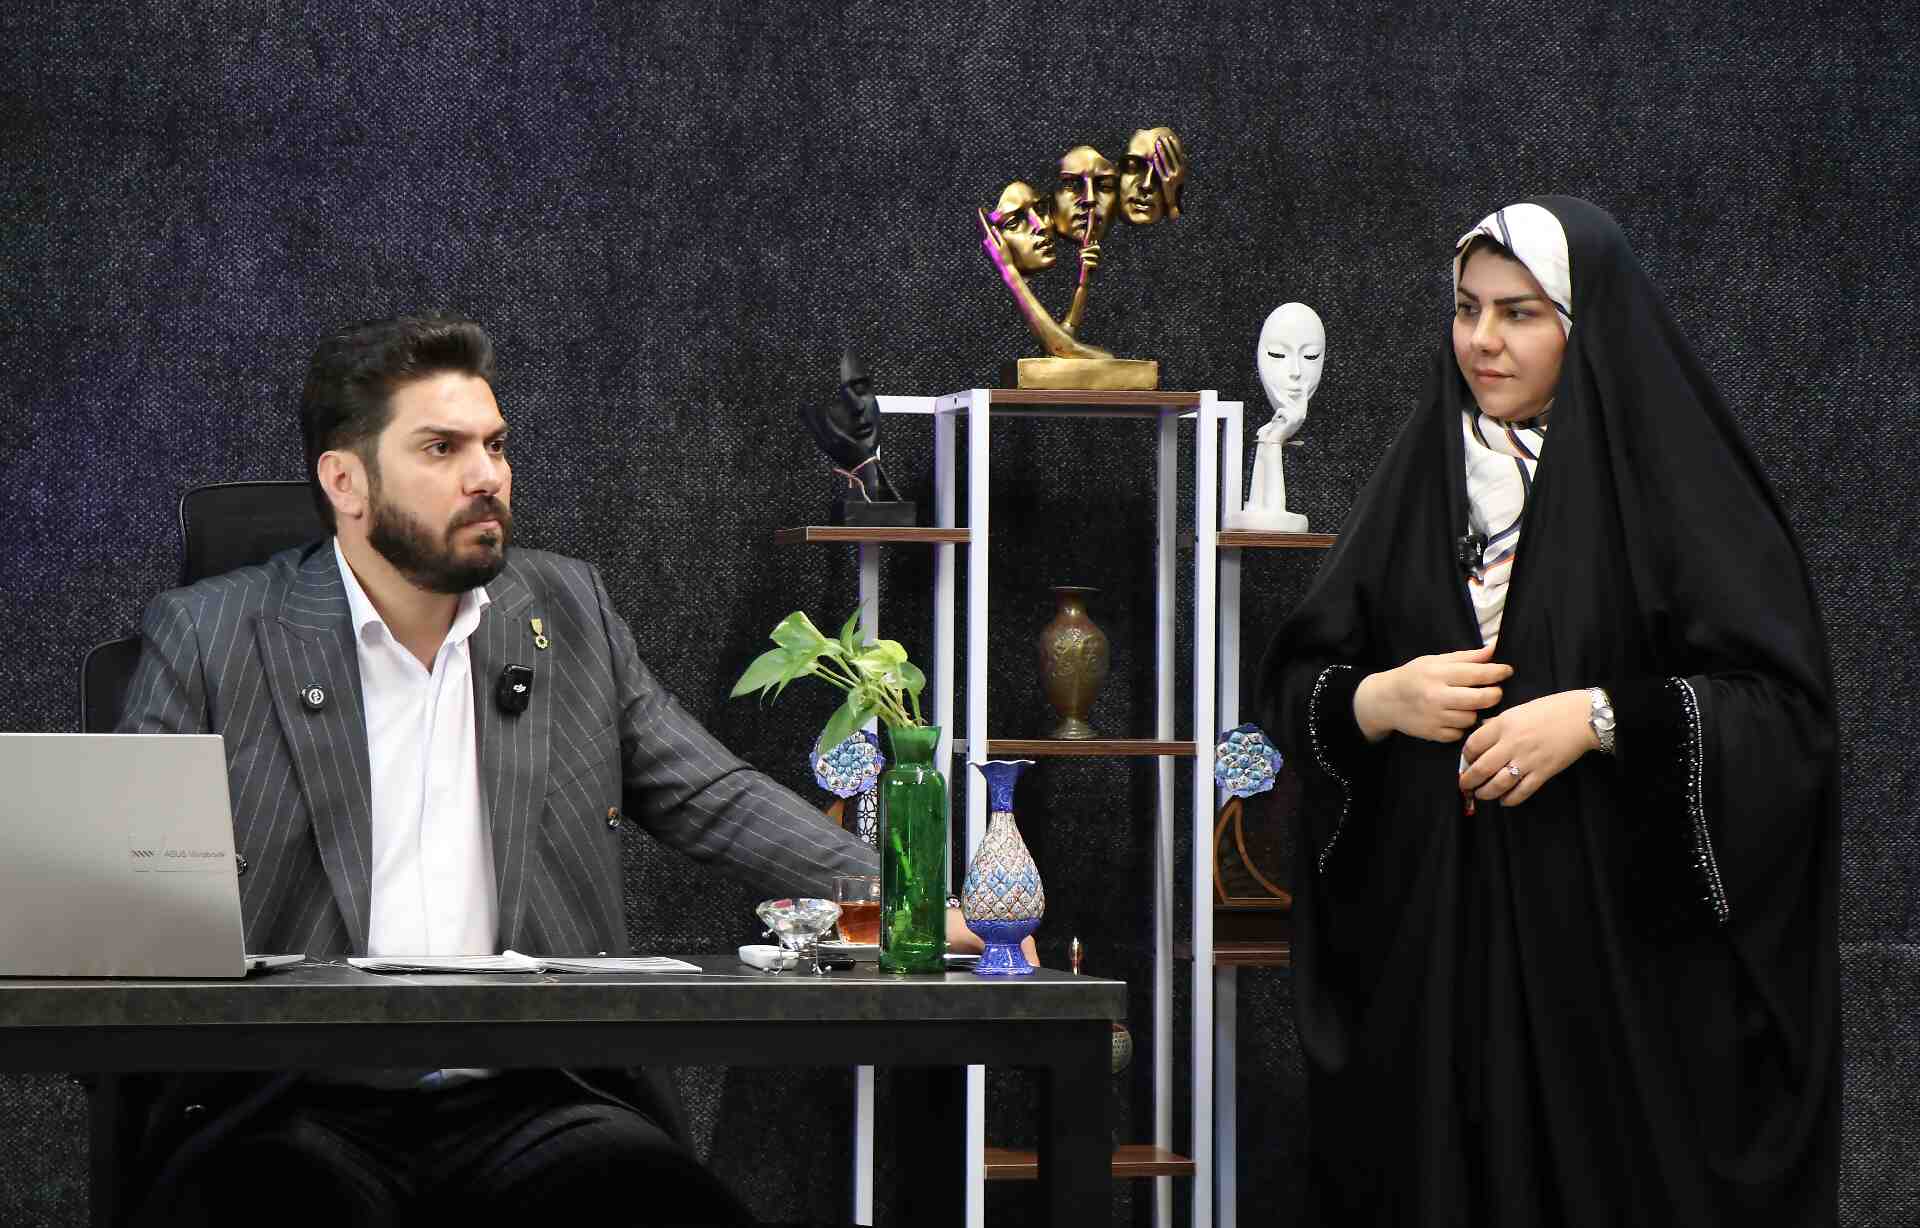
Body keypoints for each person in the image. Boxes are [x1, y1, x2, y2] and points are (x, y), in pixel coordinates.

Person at [112, 315, 975, 1226]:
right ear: (344, 482)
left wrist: (914, 901)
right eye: (441, 448)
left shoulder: (565, 610)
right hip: (292, 1103)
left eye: (494, 444)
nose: (486, 475)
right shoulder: (212, 634)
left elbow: (711, 795)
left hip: (534, 1098)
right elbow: (121, 885)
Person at [1258, 198, 1838, 1226]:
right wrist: (1379, 700)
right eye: (1467, 308)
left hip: (1612, 989)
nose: (1483, 339)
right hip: (1435, 977)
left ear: (1584, 321)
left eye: (1520, 313)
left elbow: (1785, 718)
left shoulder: (1672, 486)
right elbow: (1304, 683)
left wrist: (1603, 718)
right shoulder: (1420, 479)